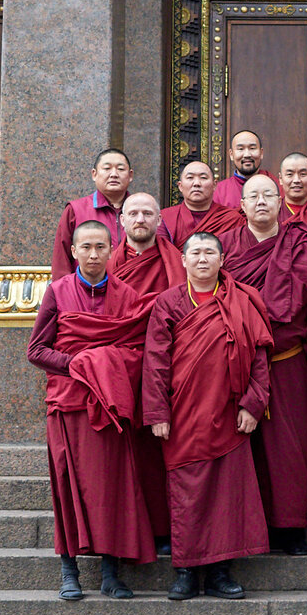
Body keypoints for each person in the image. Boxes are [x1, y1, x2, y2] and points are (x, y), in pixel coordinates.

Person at [27, 220, 155, 601]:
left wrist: (105, 364)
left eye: (101, 247)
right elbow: (36, 350)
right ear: (74, 251)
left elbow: (137, 350)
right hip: (69, 404)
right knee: (68, 486)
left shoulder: (127, 295)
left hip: (111, 406)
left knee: (113, 488)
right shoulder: (58, 291)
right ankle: (69, 570)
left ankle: (111, 573)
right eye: (86, 247)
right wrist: (78, 365)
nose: (94, 254)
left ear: (111, 249)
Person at [142, 232, 274, 600]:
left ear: (222, 259)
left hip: (230, 412)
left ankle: (219, 571)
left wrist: (253, 402)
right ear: (183, 260)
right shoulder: (168, 302)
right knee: (187, 493)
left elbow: (260, 356)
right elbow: (154, 362)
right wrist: (157, 411)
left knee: (227, 494)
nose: (202, 259)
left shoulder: (242, 299)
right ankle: (186, 570)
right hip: (183, 413)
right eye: (195, 253)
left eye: (209, 252)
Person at [218, 174, 307, 556]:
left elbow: (299, 295)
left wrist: (254, 317)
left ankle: (290, 530)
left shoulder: (301, 242)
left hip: (285, 360)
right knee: (240, 447)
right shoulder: (227, 245)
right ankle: (245, 527)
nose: (261, 201)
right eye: (254, 196)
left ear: (281, 202)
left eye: (268, 194)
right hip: (237, 360)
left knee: (289, 447)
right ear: (242, 205)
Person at [105, 192, 187, 549]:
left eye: (148, 213)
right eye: (133, 213)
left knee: (158, 451)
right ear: (121, 221)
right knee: (126, 453)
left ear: (159, 221)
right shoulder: (106, 264)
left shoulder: (175, 262)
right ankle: (124, 531)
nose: (140, 219)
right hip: (118, 367)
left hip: (165, 367)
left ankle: (161, 529)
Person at [50, 148, 132, 280]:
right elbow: (62, 259)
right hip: (88, 290)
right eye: (107, 168)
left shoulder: (141, 211)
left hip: (133, 293)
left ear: (130, 175)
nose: (114, 174)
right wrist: (64, 293)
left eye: (121, 169)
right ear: (94, 174)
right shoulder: (75, 210)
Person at [157, 161, 247, 245]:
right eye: (190, 178)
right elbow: (163, 255)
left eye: (203, 178)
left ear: (214, 185)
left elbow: (238, 256)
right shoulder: (165, 218)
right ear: (180, 186)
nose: (196, 183)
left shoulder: (232, 219)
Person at [213, 129, 277, 208]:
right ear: (231, 155)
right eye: (240, 149)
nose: (247, 154)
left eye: (252, 148)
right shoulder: (220, 190)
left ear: (261, 153)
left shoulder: (275, 185)